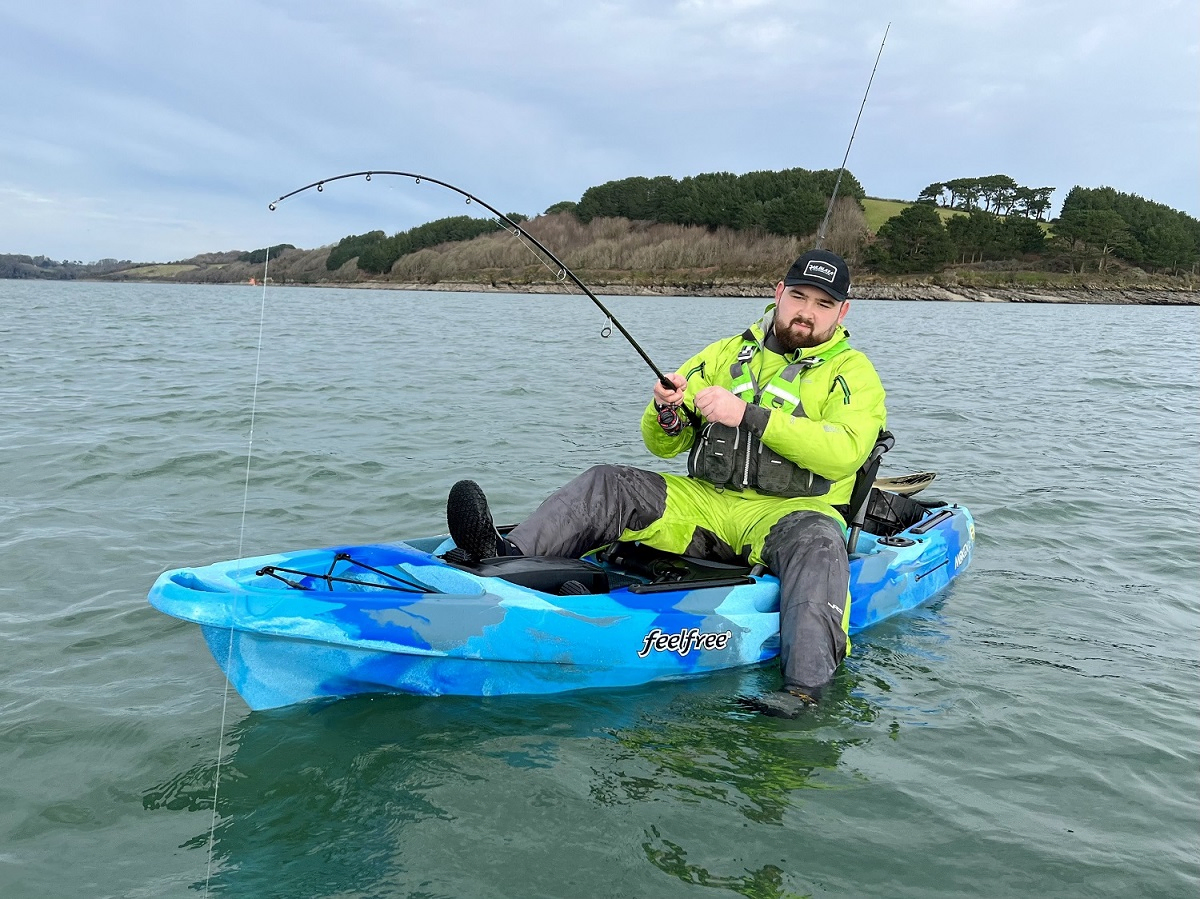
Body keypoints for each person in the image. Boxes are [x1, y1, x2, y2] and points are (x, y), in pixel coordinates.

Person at [447, 249, 886, 717]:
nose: (807, 312)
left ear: (842, 312)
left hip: (792, 512)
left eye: (823, 304)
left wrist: (750, 415)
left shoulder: (854, 374)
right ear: (778, 294)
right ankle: (505, 555)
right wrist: (665, 411)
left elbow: (844, 451)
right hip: (708, 502)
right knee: (610, 483)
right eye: (798, 297)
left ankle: (803, 691)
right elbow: (662, 445)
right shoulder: (722, 355)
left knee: (819, 544)